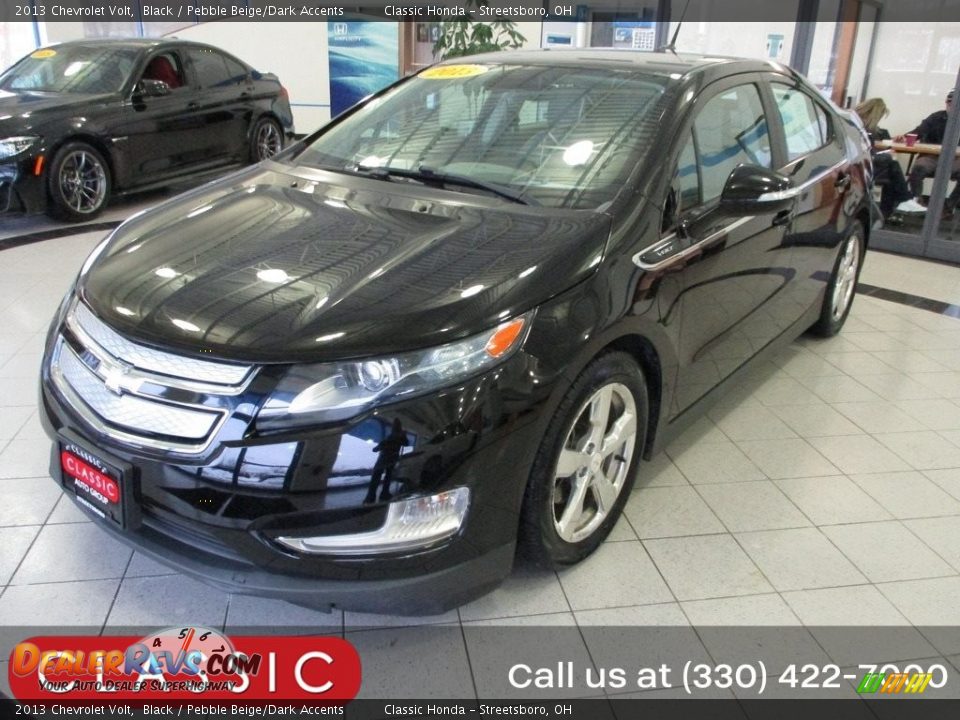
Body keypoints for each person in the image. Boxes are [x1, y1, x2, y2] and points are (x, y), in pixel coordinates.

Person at [855, 98, 925, 219]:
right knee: (891, 164)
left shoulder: (856, 125)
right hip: (859, 165)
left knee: (890, 173)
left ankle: (898, 205)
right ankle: (902, 201)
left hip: (863, 162)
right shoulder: (857, 128)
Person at [900, 89, 960, 213]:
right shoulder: (935, 118)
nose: (951, 107)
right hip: (931, 156)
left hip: (955, 159)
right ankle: (917, 200)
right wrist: (904, 138)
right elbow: (918, 132)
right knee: (919, 168)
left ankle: (949, 206)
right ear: (946, 103)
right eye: (950, 104)